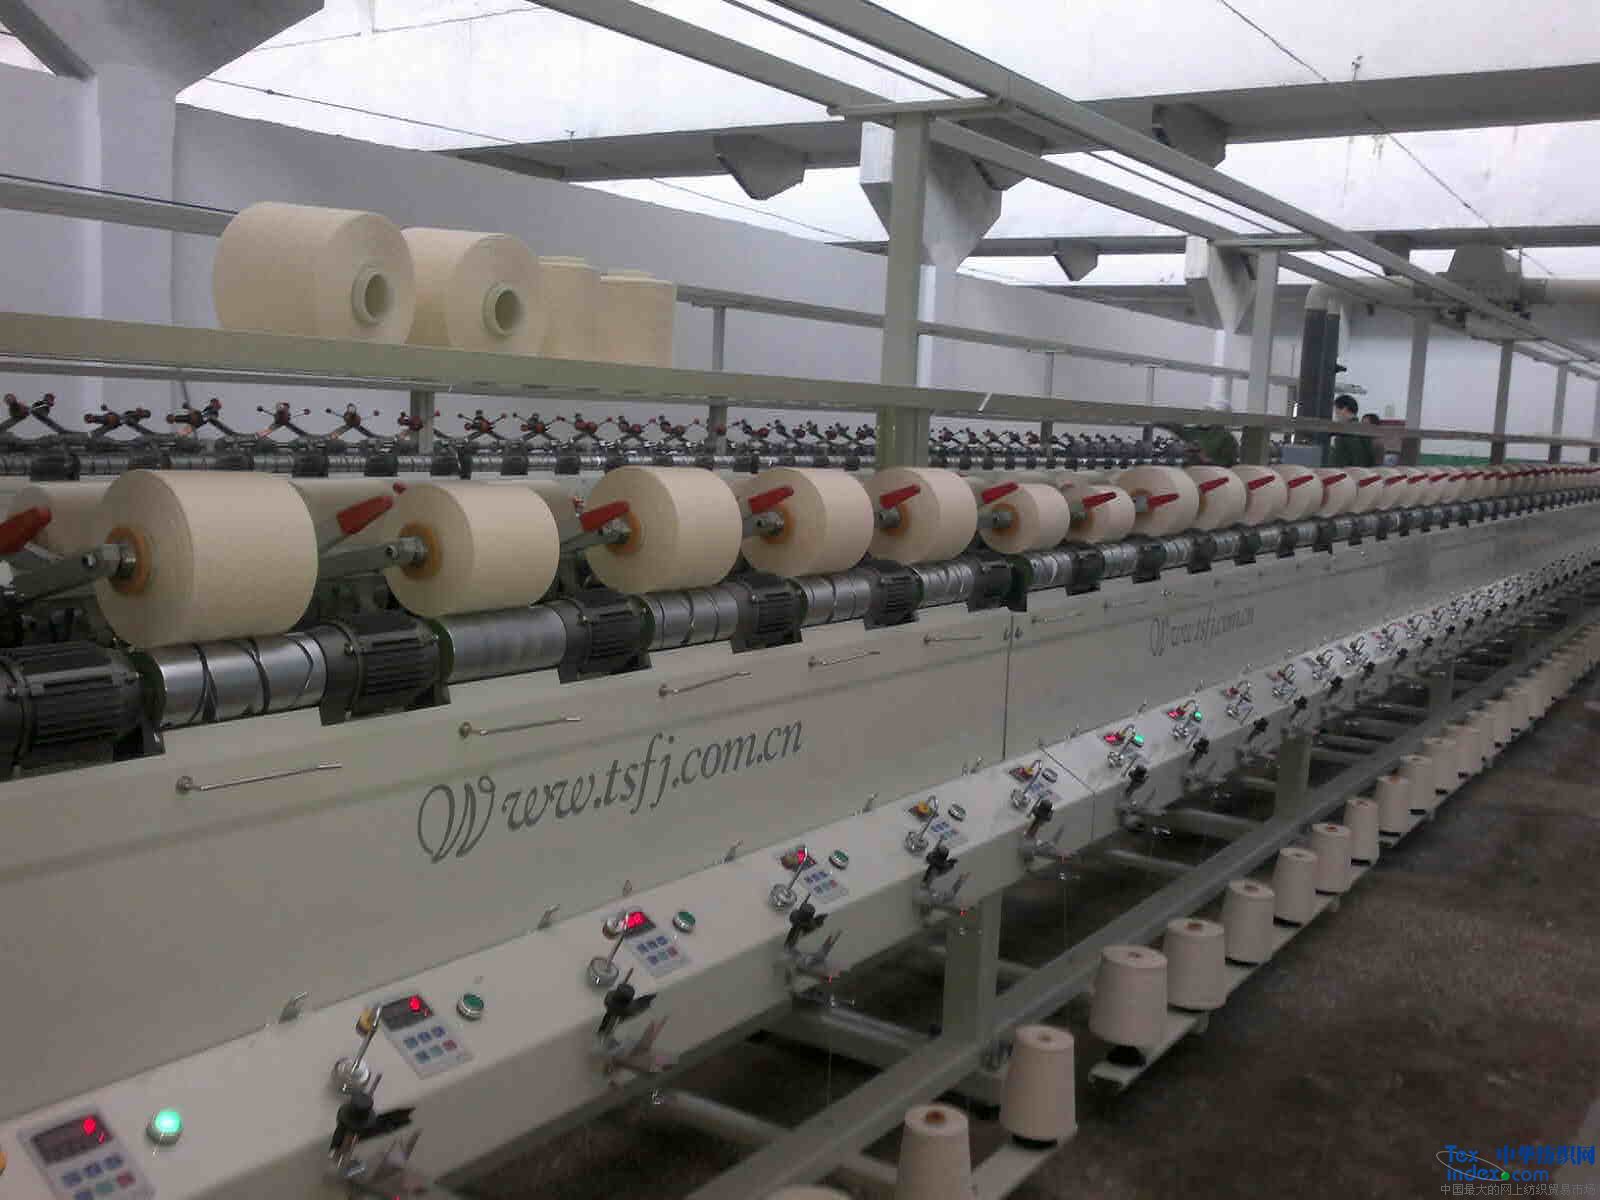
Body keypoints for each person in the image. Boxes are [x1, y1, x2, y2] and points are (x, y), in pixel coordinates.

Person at [1158, 395, 1239, 466]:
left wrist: (1202, 458)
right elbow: (1176, 427)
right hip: (1190, 471)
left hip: (1210, 474)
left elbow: (1227, 465)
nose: (1204, 414)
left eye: (1210, 412)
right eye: (1205, 410)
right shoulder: (1196, 431)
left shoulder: (1227, 438)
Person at [1327, 394, 1377, 468]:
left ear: (1344, 409)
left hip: (1346, 473)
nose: (1336, 416)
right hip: (1363, 472)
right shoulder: (1364, 430)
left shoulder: (1346, 432)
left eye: (1336, 411)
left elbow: (1357, 458)